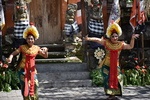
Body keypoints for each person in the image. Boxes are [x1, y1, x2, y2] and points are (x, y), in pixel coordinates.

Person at [84, 22, 139, 100]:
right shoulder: (106, 43)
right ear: (110, 37)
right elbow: (98, 40)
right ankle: (110, 95)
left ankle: (114, 95)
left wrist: (132, 38)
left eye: (116, 36)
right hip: (106, 65)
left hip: (116, 65)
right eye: (113, 36)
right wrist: (88, 39)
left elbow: (130, 46)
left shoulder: (121, 44)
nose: (115, 38)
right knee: (107, 79)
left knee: (118, 78)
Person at [6, 23, 48, 100]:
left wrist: (46, 51)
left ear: (34, 40)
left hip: (32, 71)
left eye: (31, 39)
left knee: (34, 85)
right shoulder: (22, 47)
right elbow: (14, 53)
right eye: (28, 39)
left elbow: (45, 56)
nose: (30, 40)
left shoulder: (37, 48)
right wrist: (10, 57)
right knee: (25, 87)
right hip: (22, 70)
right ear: (26, 39)